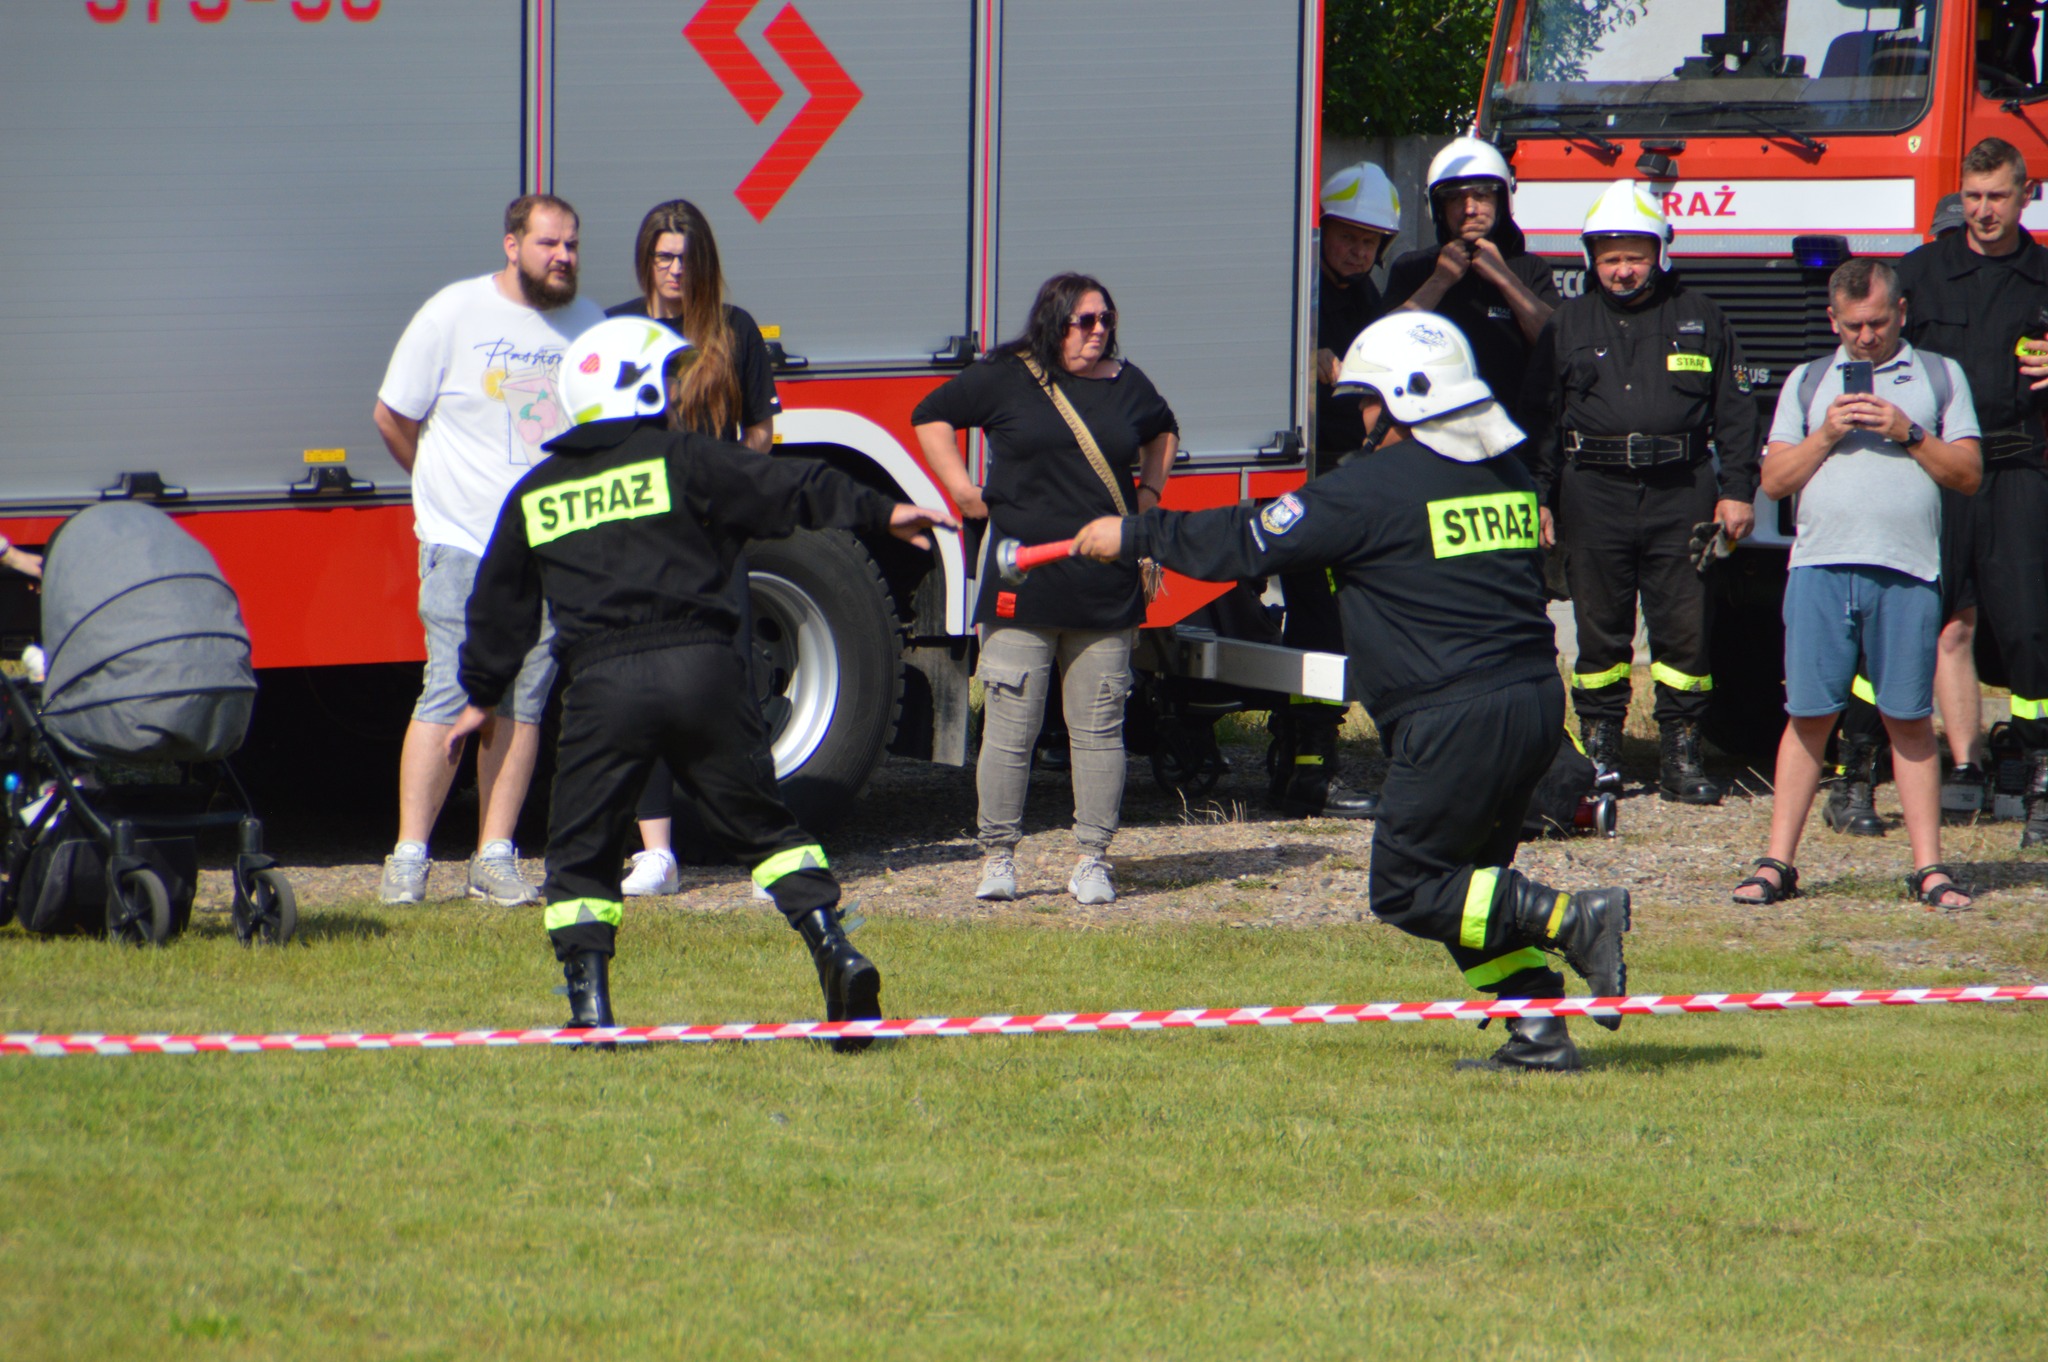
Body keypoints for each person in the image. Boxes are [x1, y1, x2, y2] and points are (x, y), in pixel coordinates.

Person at [1073, 314, 1631, 1073]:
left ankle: (1573, 918)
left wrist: (1133, 535)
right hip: (1532, 701)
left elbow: (1245, 539)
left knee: (1410, 887)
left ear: (1401, 399)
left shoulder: (1369, 489)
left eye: (1368, 401)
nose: (1362, 417)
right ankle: (1537, 1034)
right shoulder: (1499, 472)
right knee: (1468, 888)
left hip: (1454, 715)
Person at [449, 316, 956, 1038]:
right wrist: (881, 510)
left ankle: (589, 1006)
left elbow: (499, 604)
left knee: (582, 848)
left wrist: (478, 695)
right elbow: (787, 486)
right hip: (706, 673)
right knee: (765, 828)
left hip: (604, 685)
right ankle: (832, 946)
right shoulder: (684, 459)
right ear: (643, 386)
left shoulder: (538, 490)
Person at [913, 273, 1178, 906]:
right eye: (1084, 321)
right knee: (1010, 724)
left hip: (1104, 590)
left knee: (1098, 728)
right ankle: (999, 856)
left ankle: (1092, 859)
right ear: (1053, 320)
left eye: (1105, 320)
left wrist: (1148, 496)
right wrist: (960, 488)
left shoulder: (1127, 383)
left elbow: (1164, 430)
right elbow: (931, 415)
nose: (1097, 332)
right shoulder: (1008, 375)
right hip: (1020, 580)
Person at [373, 194, 605, 907]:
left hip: (546, 547)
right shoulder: (453, 313)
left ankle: (493, 858)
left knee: (525, 701)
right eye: (547, 243)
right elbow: (393, 416)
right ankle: (410, 856)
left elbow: (594, 437)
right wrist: (439, 494)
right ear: (511, 245)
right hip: (462, 543)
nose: (561, 256)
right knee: (450, 687)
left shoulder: (588, 325)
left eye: (570, 244)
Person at [1732, 260, 1980, 910]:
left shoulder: (1938, 376)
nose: (1865, 338)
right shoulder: (1808, 380)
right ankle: (1776, 864)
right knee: (1809, 715)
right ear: (1832, 321)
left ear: (1900, 312)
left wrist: (1909, 431)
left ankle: (1929, 869)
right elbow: (1774, 481)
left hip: (1906, 570)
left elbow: (1969, 474)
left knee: (1908, 720)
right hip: (1819, 567)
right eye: (1851, 327)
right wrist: (1826, 433)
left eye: (1875, 323)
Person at [1522, 181, 1759, 805]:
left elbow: (1735, 413)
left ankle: (1682, 756)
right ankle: (1601, 754)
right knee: (1600, 631)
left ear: (1660, 251)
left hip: (1682, 490)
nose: (1622, 270)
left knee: (1684, 630)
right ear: (1590, 260)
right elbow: (1541, 420)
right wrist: (1539, 498)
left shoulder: (1702, 316)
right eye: (1609, 258)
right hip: (1591, 493)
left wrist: (1737, 491)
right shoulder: (1566, 325)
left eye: (1634, 255)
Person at [603, 199, 782, 898]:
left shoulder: (733, 331)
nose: (675, 269)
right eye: (663, 257)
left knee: (728, 692)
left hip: (712, 540)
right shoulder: (615, 330)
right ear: (646, 260)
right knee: (642, 688)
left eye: (687, 257)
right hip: (637, 538)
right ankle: (657, 855)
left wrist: (731, 491)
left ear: (704, 261)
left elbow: (761, 429)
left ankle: (766, 854)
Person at [1896, 137, 2048, 847]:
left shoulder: (2045, 274)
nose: (1984, 211)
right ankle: (1961, 765)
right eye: (1974, 196)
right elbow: (1873, 349)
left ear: (2026, 195)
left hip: (2020, 467)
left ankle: (2038, 770)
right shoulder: (1921, 272)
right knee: (1944, 621)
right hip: (1939, 467)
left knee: (2025, 627)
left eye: (1998, 196)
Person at [1267, 161, 1401, 820]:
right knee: (1317, 618)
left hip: (1349, 477)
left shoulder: (1371, 302)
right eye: (1347, 236)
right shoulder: (1294, 289)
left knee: (1336, 618)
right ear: (1323, 230)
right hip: (1296, 477)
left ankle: (1300, 757)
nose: (1356, 250)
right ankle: (1311, 769)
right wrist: (1307, 351)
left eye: (1369, 241)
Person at [1384, 137, 1557, 409]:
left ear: (1501, 201)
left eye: (1482, 195)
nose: (1470, 209)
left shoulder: (1531, 269)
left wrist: (1505, 279)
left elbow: (1555, 343)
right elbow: (1382, 346)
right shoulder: (1412, 268)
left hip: (1515, 435)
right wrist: (1439, 281)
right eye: (1455, 198)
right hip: (1431, 430)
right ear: (1437, 207)